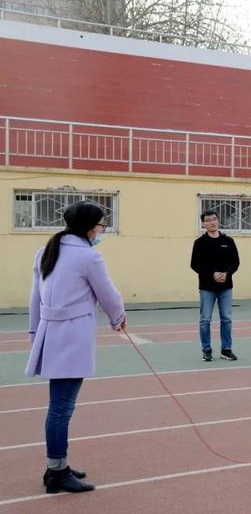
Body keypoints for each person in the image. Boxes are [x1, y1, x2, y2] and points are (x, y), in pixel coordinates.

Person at [26, 201, 127, 493]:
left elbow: (34, 297)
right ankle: (57, 471)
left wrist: (34, 331)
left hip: (50, 332)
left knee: (59, 406)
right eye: (101, 224)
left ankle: (57, 466)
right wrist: (118, 318)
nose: (102, 230)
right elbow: (108, 294)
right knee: (61, 408)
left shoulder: (46, 250)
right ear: (89, 227)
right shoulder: (88, 256)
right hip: (72, 337)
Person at [190, 210, 240, 362]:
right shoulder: (199, 243)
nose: (212, 222)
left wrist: (227, 273)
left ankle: (226, 349)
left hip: (226, 287)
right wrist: (212, 274)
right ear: (203, 224)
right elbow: (195, 264)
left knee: (227, 319)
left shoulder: (228, 241)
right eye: (208, 220)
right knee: (205, 320)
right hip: (207, 288)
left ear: (218, 221)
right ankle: (206, 349)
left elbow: (235, 262)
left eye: (214, 219)